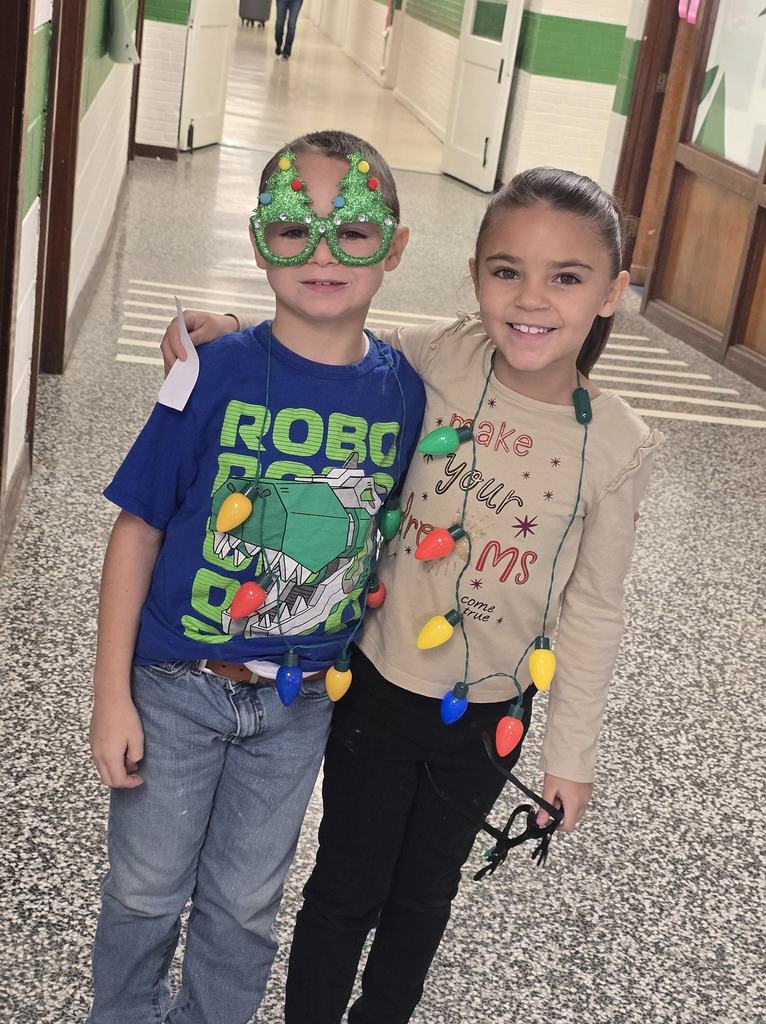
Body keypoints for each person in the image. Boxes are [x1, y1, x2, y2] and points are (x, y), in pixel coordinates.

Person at [160, 167, 663, 1023]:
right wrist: (240, 326)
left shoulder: (616, 443)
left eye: (567, 277)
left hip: (489, 710)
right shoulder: (450, 351)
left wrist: (569, 755)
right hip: (378, 686)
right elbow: (338, 339)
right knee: (345, 888)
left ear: (613, 292)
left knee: (423, 900)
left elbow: (594, 609)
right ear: (475, 277)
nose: (531, 299)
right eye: (507, 271)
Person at [86, 129, 424, 1024]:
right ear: (255, 240)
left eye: (352, 232)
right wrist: (108, 695)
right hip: (174, 687)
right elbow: (138, 529)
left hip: (298, 704)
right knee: (146, 891)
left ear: (394, 248)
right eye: (291, 229)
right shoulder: (211, 374)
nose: (321, 252)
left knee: (243, 906)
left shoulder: (404, 392)